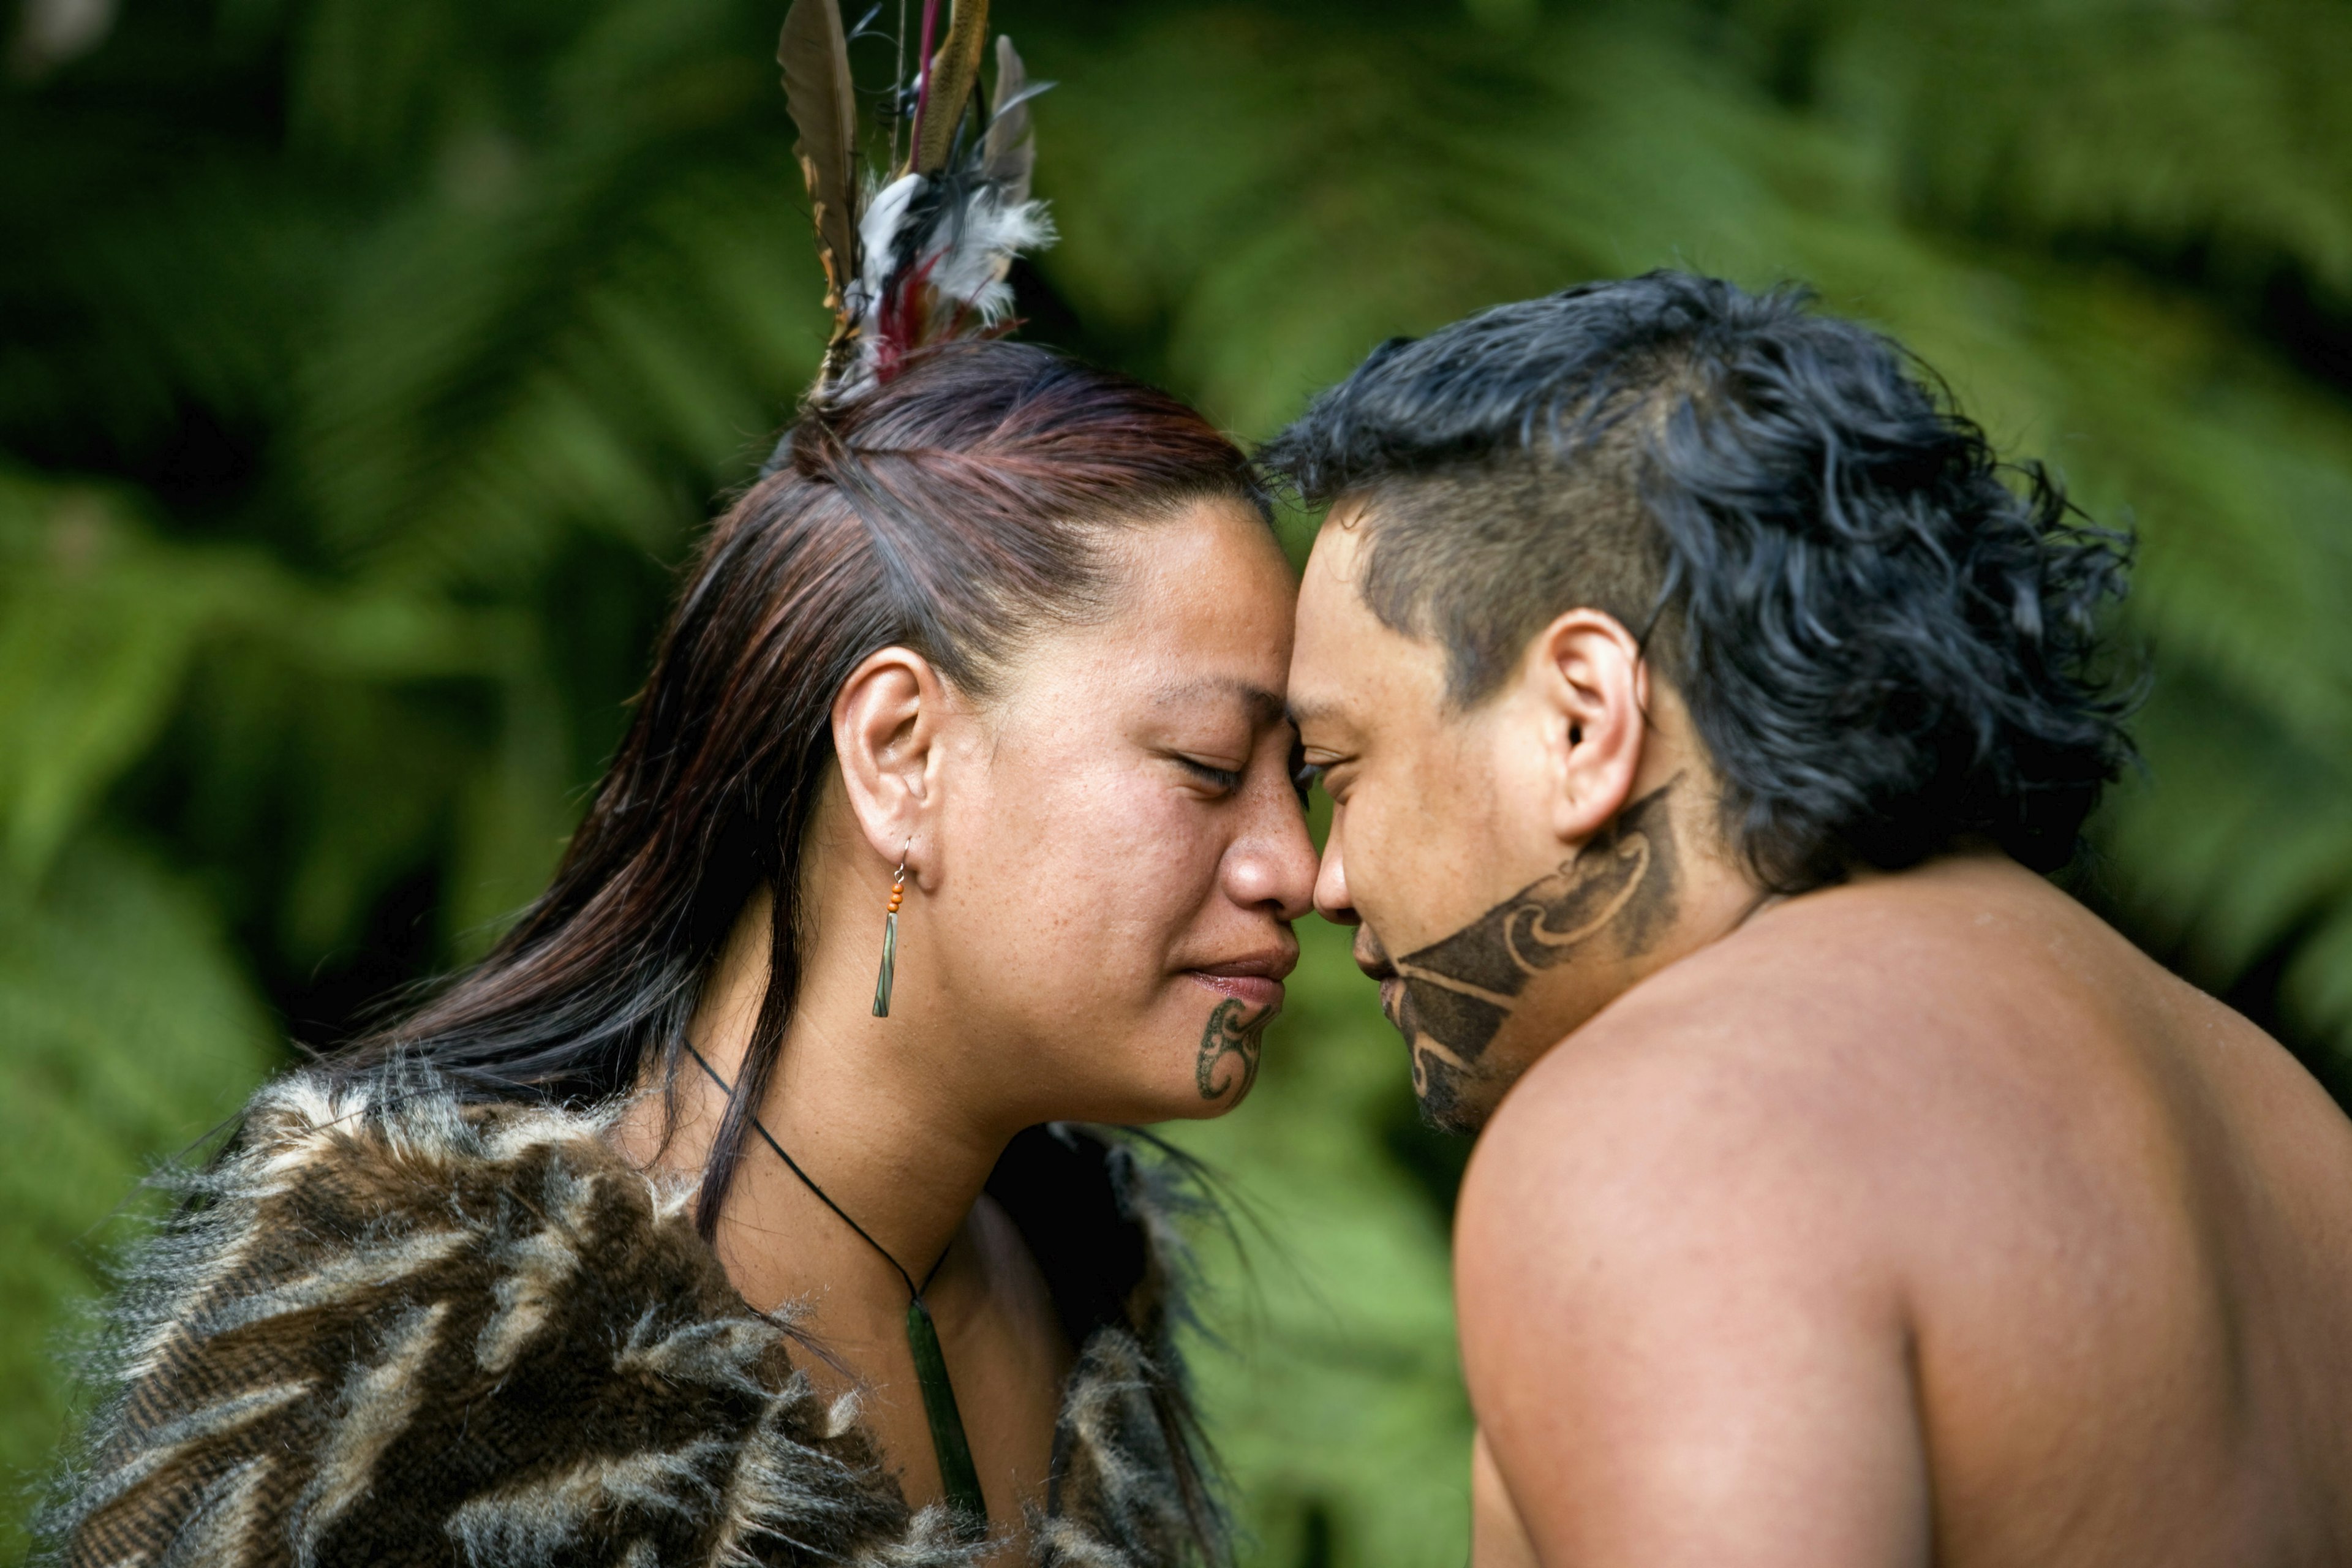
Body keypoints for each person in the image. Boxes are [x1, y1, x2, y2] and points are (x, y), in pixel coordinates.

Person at [39, 7, 1316, 1564]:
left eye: (1301, 778)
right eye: (1205, 765)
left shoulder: (1082, 1280)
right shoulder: (432, 1372)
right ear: (900, 752)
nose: (1296, 867)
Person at [1269, 270, 2352, 1566]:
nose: (1325, 879)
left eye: (1339, 772)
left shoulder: (1674, 1132)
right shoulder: (2275, 1110)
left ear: (1582, 717)